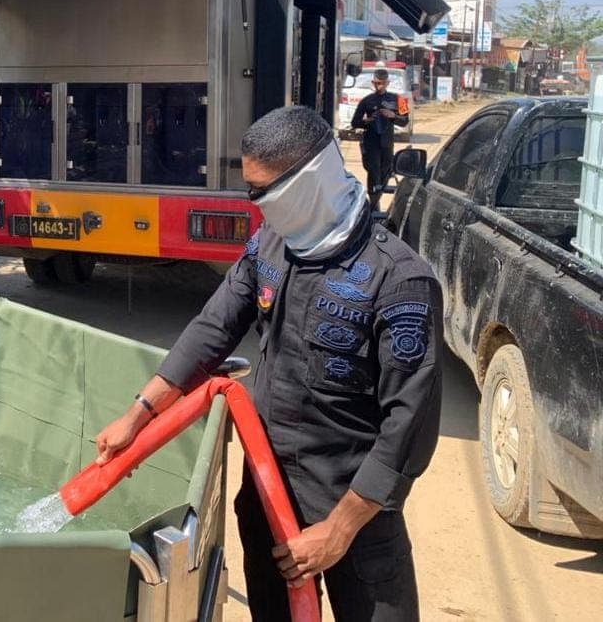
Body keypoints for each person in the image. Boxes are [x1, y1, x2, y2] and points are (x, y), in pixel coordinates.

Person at [94, 107, 440, 621]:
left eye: (260, 191)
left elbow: (408, 428)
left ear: (306, 183)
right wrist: (138, 414)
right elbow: (212, 329)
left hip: (356, 514)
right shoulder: (270, 247)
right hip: (269, 494)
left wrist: (338, 530)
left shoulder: (399, 281)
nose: (251, 202)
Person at [351, 68, 409, 212]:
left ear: (387, 83)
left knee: (385, 171)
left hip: (387, 142)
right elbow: (355, 122)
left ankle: (377, 199)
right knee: (373, 172)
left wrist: (392, 116)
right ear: (373, 83)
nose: (379, 86)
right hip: (371, 142)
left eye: (382, 83)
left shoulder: (398, 99)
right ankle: (373, 204)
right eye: (377, 83)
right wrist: (368, 121)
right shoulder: (367, 101)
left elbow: (405, 121)